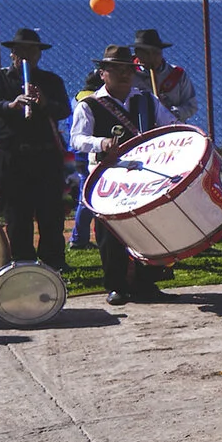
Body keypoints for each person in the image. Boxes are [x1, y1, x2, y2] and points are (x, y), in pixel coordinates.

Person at [69, 47, 169, 304]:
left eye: (128, 70)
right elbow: (77, 139)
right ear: (102, 73)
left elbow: (170, 124)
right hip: (108, 178)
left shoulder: (147, 100)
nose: (124, 74)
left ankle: (146, 283)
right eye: (117, 69)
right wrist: (101, 143)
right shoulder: (89, 105)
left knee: (147, 227)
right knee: (110, 233)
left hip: (144, 175)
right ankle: (116, 286)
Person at [130, 29, 200, 128]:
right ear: (137, 53)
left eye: (156, 53)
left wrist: (168, 112)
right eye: (147, 53)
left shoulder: (177, 74)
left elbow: (191, 106)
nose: (152, 58)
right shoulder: (128, 74)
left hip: (172, 128)